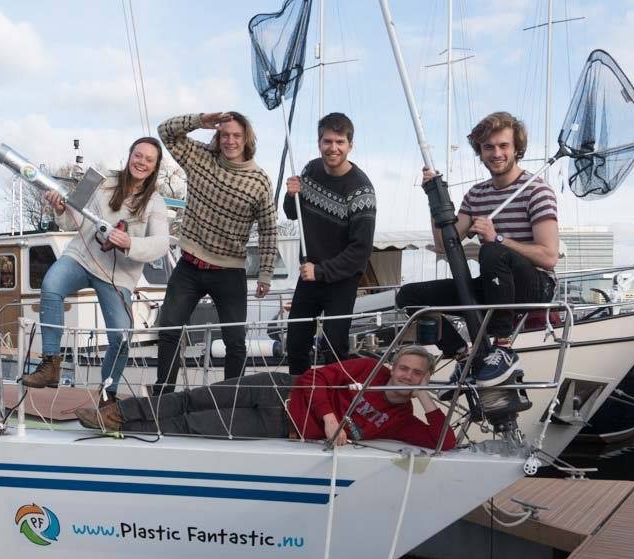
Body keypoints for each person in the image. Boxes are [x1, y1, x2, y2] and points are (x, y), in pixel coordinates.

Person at [395, 111, 559, 387]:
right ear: (480, 152)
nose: (496, 153)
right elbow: (443, 243)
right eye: (488, 147)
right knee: (410, 297)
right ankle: (464, 356)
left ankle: (503, 348)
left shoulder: (536, 191)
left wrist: (498, 238)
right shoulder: (477, 195)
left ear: (516, 149)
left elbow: (549, 257)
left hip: (534, 284)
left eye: (503, 146)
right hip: (495, 285)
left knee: (491, 252)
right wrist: (435, 197)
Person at [76, 345, 457, 451]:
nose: (407, 376)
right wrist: (327, 417)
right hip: (278, 386)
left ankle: (123, 431)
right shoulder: (365, 369)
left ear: (424, 379)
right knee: (194, 397)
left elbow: (444, 443)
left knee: (193, 425)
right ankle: (115, 413)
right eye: (404, 368)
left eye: (417, 374)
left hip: (280, 424)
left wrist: (426, 401)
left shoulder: (404, 418)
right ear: (393, 366)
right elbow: (313, 377)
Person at [21, 137, 170, 398]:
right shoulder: (99, 182)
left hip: (117, 277)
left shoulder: (155, 202)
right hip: (81, 258)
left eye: (149, 159)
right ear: (129, 155)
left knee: (122, 337)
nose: (141, 162)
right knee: (51, 285)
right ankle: (50, 364)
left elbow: (160, 244)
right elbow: (71, 220)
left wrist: (129, 242)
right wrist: (59, 208)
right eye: (138, 155)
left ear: (155, 166)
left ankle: (107, 395)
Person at [152, 112, 278, 394]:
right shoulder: (199, 158)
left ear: (247, 140)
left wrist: (266, 273)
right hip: (189, 266)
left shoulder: (259, 181)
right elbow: (165, 131)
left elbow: (269, 229)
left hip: (229, 271)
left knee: (235, 341)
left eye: (236, 135)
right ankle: (163, 395)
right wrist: (200, 120)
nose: (230, 141)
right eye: (225, 135)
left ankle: (229, 399)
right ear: (217, 137)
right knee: (170, 330)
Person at [283, 112, 376, 376]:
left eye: (339, 142)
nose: (332, 148)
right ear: (319, 142)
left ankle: (336, 403)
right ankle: (298, 397)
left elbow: (360, 251)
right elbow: (292, 213)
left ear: (350, 145)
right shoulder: (310, 170)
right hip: (309, 275)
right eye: (327, 141)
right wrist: (291, 196)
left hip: (341, 280)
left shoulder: (361, 190)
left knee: (335, 347)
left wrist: (321, 271)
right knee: (296, 342)